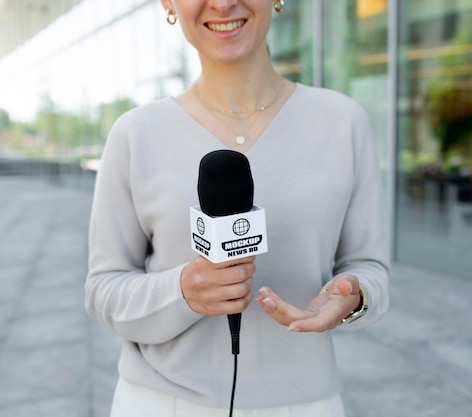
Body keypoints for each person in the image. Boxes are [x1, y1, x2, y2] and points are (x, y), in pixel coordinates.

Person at [84, 0, 390, 416]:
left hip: (304, 402)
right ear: (169, 4)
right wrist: (182, 292)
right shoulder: (135, 135)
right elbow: (104, 290)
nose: (224, 2)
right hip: (162, 403)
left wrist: (353, 295)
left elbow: (370, 266)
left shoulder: (343, 121)